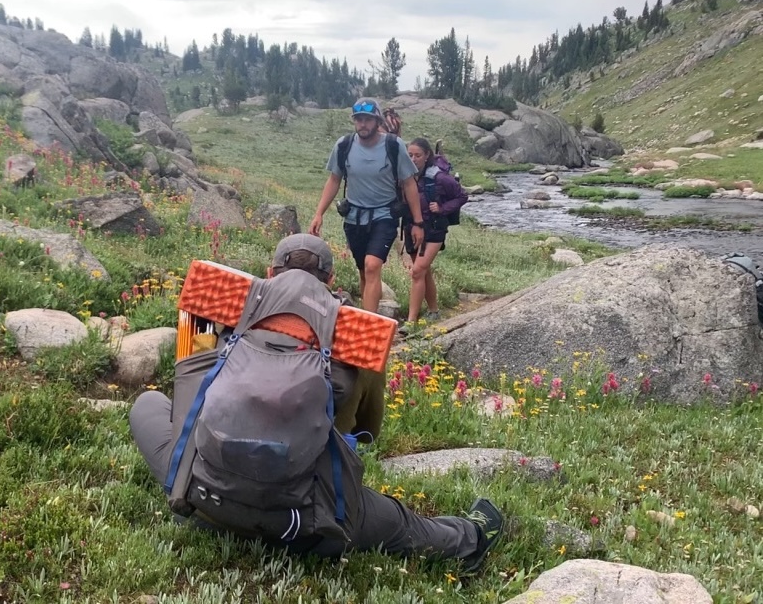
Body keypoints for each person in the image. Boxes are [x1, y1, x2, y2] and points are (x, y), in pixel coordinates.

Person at [129, 234, 503, 572]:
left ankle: (201, 499)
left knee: (148, 405)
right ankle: (472, 538)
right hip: (304, 521)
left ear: (269, 272)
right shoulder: (357, 338)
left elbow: (189, 389)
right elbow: (367, 432)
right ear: (329, 280)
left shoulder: (218, 310)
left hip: (201, 496)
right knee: (403, 525)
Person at [309, 97, 424, 314]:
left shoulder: (393, 145)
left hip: (385, 216)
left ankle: (367, 324)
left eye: (368, 119)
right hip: (354, 218)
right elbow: (334, 180)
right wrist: (318, 214)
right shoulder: (344, 145)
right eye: (358, 119)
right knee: (364, 270)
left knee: (373, 265)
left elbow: (409, 184)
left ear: (377, 121)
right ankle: (367, 313)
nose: (363, 124)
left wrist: (418, 222)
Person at [400, 138, 468, 332]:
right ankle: (433, 310)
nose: (413, 159)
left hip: (435, 229)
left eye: (418, 155)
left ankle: (411, 322)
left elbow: (462, 196)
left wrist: (443, 207)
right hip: (411, 228)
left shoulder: (439, 178)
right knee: (424, 271)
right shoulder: (404, 176)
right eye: (410, 155)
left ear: (427, 155)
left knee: (417, 271)